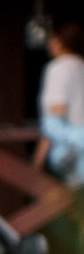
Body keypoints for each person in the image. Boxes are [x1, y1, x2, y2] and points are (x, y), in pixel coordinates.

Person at [41, 16, 84, 183]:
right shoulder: (81, 66)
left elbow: (57, 113)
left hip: (70, 154)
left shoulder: (58, 68)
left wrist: (39, 158)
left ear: (59, 42)